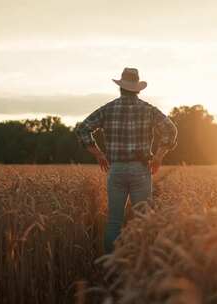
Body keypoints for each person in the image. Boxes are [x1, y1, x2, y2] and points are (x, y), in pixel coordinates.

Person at [75, 67, 178, 253]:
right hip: (141, 169)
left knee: (114, 220)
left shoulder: (108, 109)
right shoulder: (148, 109)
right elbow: (171, 129)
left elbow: (83, 129)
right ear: (138, 89)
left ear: (121, 87)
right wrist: (159, 156)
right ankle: (139, 263)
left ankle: (110, 266)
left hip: (116, 170)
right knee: (143, 219)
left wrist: (99, 154)